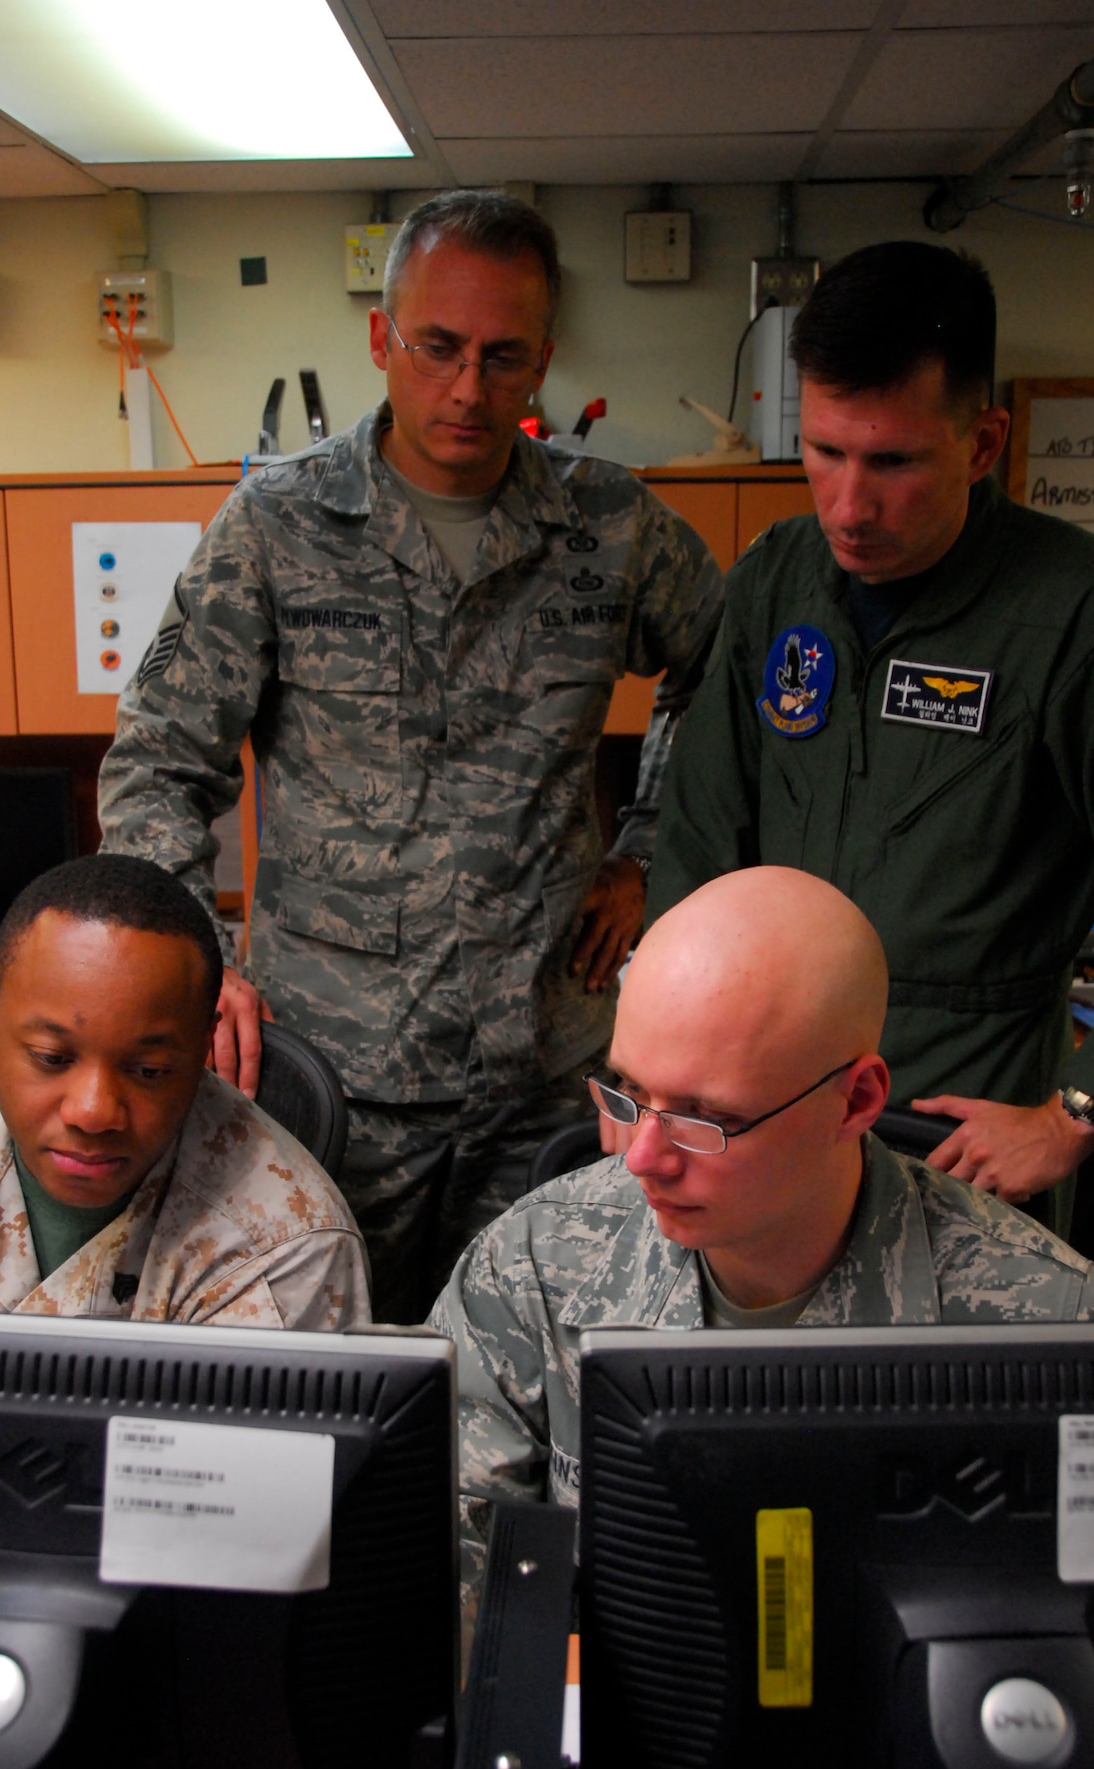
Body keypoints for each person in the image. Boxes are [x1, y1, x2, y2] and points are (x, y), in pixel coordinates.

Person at [96, 189, 723, 1321]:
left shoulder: (613, 529)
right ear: (382, 338)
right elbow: (158, 759)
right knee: (325, 1383)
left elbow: (719, 677)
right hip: (335, 1080)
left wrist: (651, 850)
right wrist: (199, 965)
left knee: (542, 1383)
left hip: (542, 1072)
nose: (468, 389)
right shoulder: (278, 526)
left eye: (503, 355)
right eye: (436, 348)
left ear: (544, 357)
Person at [434, 868, 1094, 1607]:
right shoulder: (532, 1266)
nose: (640, 1159)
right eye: (629, 1093)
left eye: (702, 1118)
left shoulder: (1058, 1332)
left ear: (857, 1100)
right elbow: (441, 1577)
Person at [648, 239, 1094, 1225]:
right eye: (824, 451)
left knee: (930, 1382)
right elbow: (698, 856)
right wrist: (667, 1085)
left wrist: (1077, 1113)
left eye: (891, 462)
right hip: (763, 1124)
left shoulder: (1088, 621)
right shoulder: (776, 578)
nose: (847, 505)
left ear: (981, 443)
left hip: (964, 1137)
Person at [0, 855, 368, 1325]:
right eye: (51, 1058)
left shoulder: (289, 1245)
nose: (93, 1112)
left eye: (148, 1070)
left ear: (204, 1047)